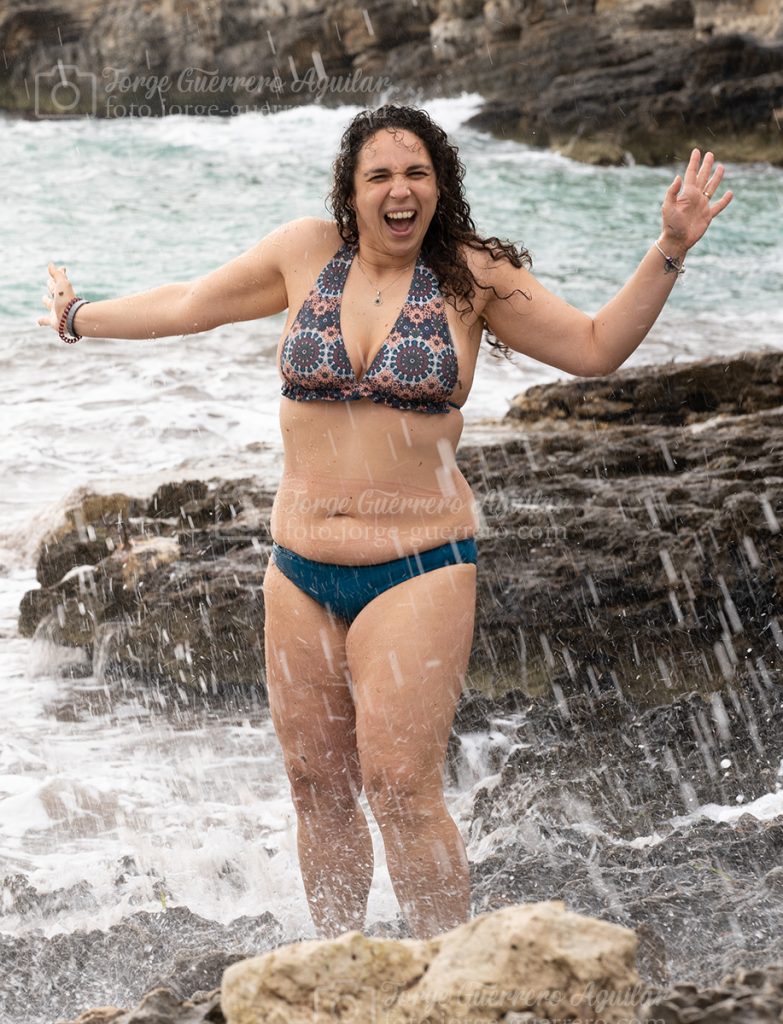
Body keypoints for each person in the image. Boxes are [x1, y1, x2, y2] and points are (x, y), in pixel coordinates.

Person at [38, 105, 732, 940]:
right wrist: (82, 318)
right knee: (316, 788)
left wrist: (669, 249)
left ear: (440, 188)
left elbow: (592, 348)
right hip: (297, 568)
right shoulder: (304, 254)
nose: (399, 192)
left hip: (419, 563)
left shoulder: (472, 277)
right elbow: (193, 303)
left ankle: (447, 973)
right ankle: (336, 965)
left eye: (417, 175)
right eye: (380, 176)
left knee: (401, 788)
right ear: (352, 190)